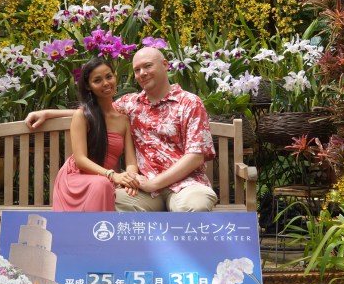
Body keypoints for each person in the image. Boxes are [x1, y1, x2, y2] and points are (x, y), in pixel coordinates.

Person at [28, 47, 218, 212]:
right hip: (142, 188)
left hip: (184, 185)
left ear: (165, 65)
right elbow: (95, 113)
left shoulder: (189, 103)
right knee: (104, 199)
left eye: (148, 66)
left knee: (195, 206)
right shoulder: (131, 104)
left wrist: (154, 183)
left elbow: (196, 155)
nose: (142, 73)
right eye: (137, 69)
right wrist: (48, 113)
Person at [51, 57, 139, 211]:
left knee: (103, 184)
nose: (106, 83)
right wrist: (113, 176)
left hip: (104, 181)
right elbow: (80, 160)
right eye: (97, 80)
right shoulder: (82, 116)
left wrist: (130, 179)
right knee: (102, 184)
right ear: (89, 86)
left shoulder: (123, 120)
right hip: (77, 180)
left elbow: (131, 162)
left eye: (109, 76)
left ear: (115, 76)